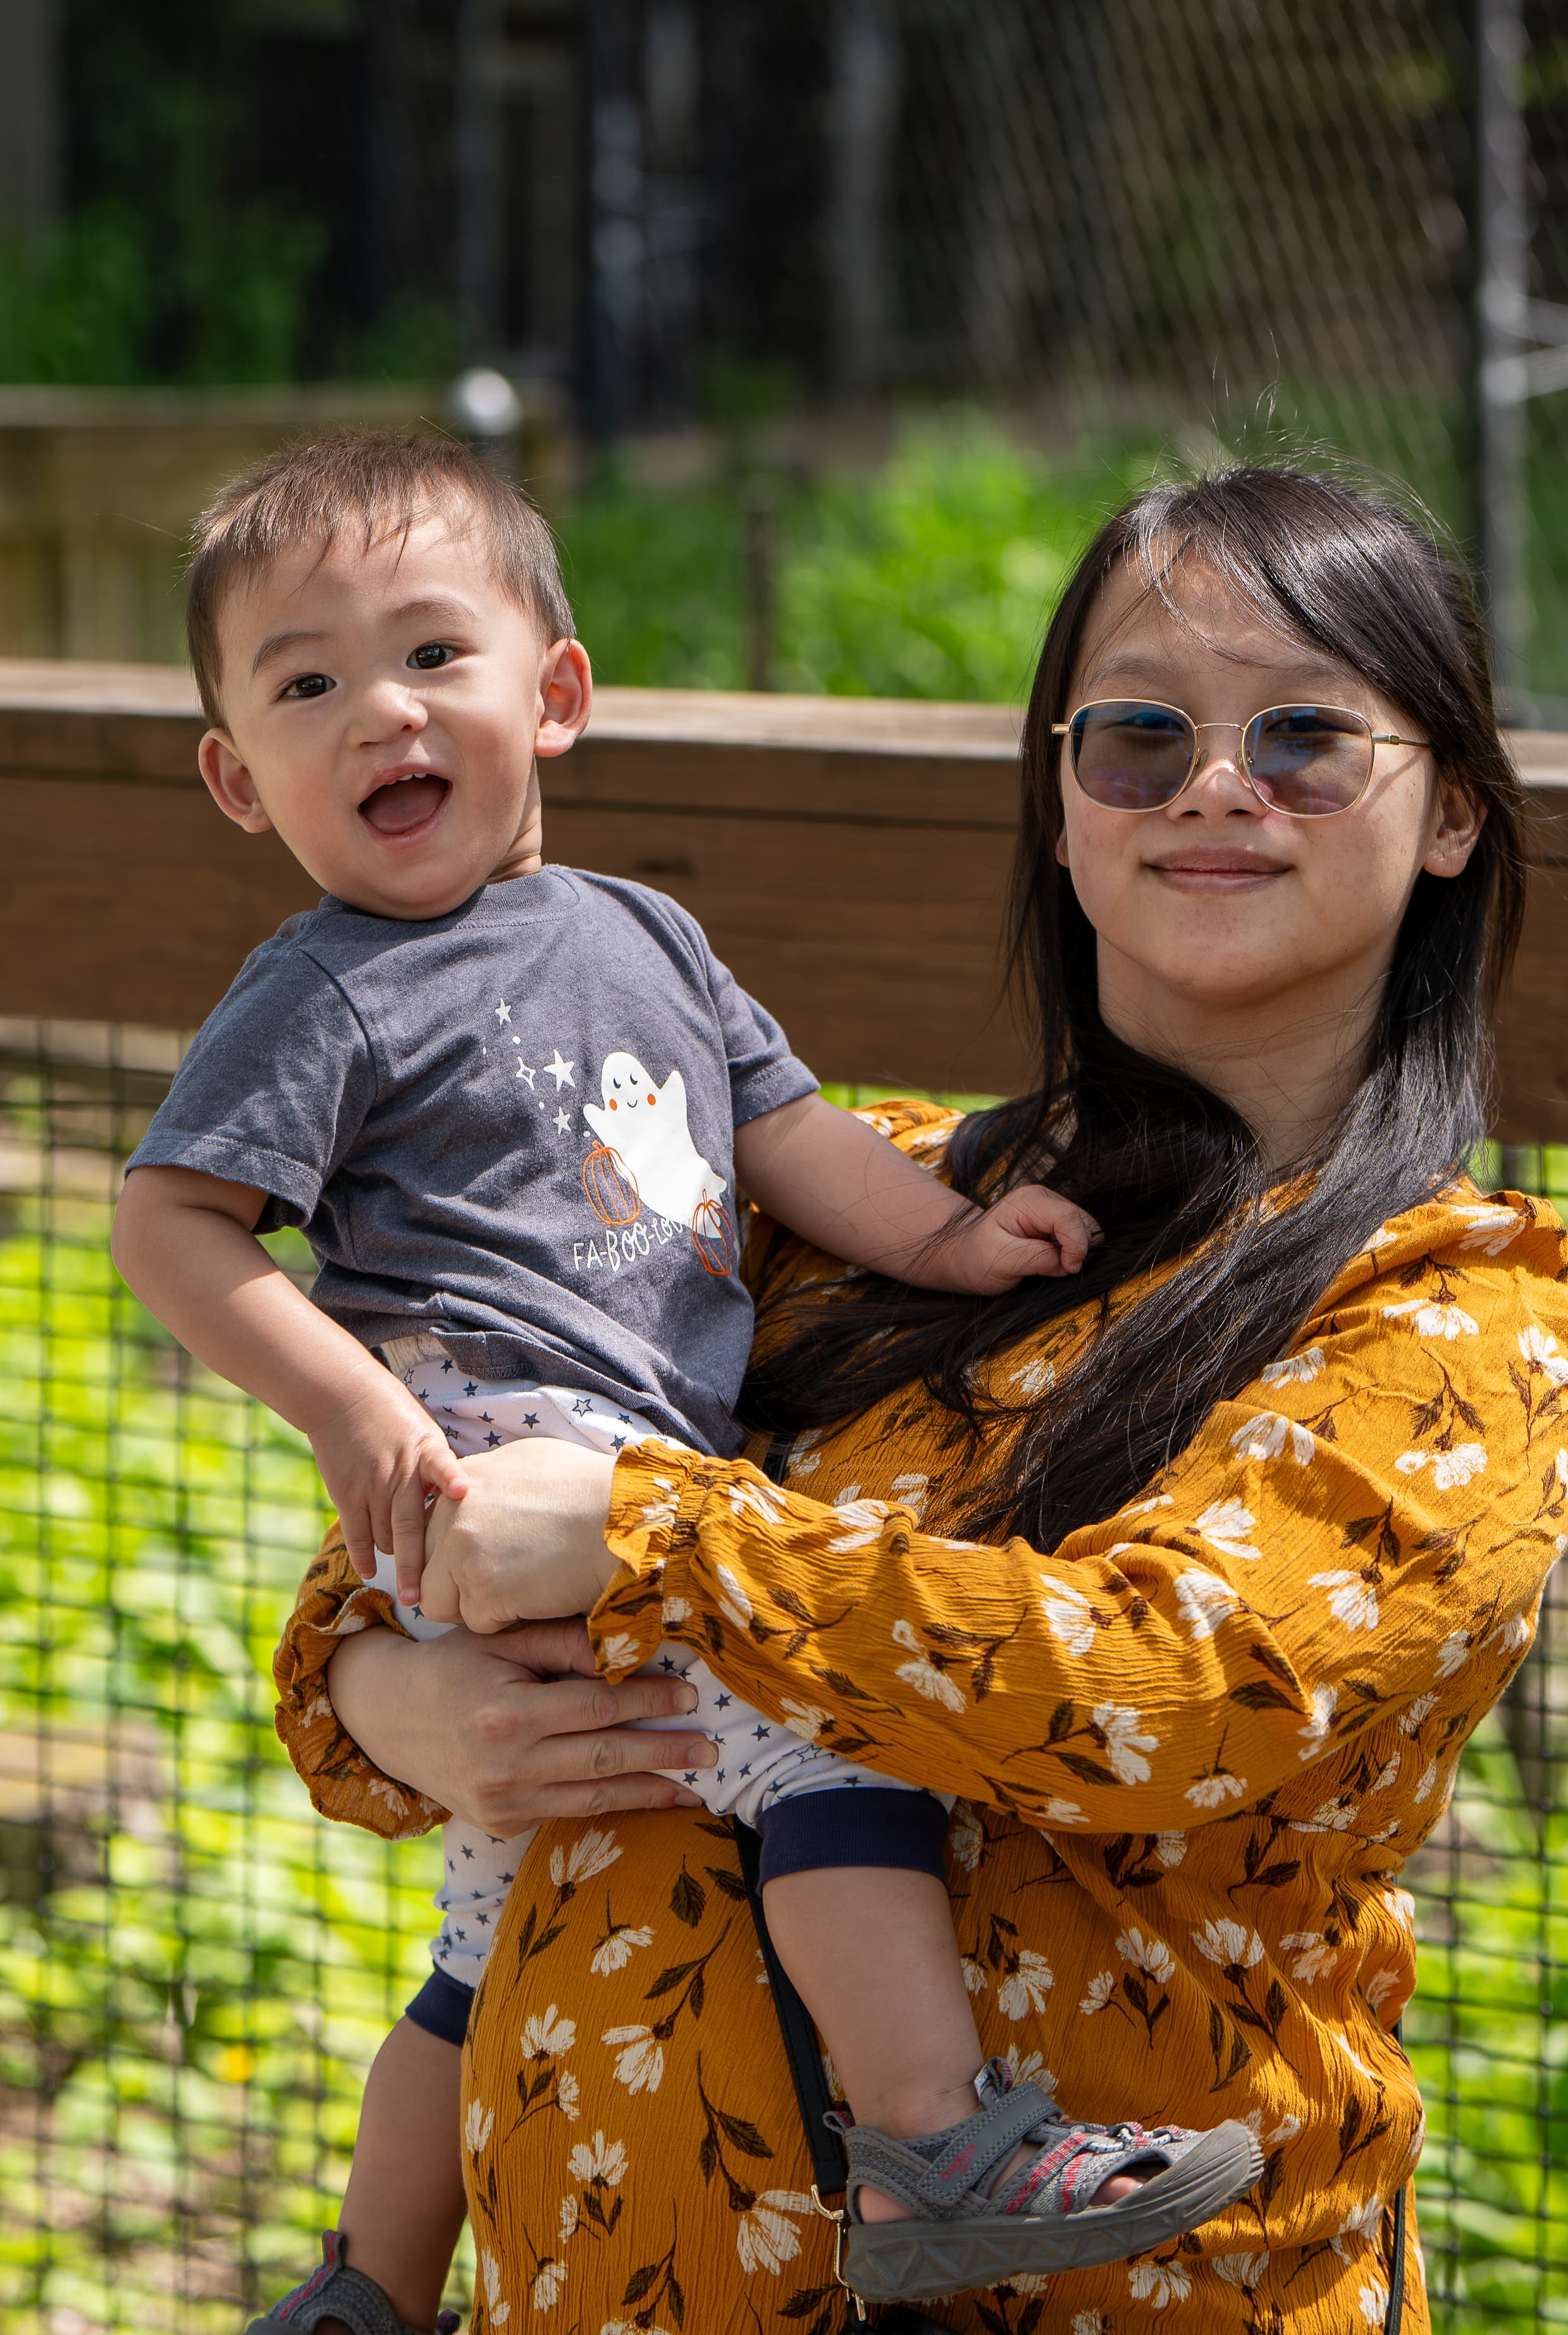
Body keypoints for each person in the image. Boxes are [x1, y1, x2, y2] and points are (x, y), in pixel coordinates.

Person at [272, 461, 1568, 2335]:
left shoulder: (1457, 1304)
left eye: (1306, 738)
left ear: (1452, 808)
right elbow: (437, 1523)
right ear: (1062, 807)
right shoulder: (873, 1203)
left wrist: (660, 1542)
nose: (1217, 785)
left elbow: (1178, 1692)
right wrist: (397, 1699)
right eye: (1140, 737)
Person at [110, 431, 1261, 2335]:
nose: (380, 711)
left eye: (432, 654)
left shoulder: (646, 933)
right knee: (831, 1741)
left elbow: (785, 1131)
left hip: (615, 1472)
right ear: (240, 778)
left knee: (484, 1932)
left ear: (555, 695)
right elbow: (169, 1222)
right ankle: (935, 2143)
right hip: (502, 1437)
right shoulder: (323, 990)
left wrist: (950, 1239)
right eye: (306, 687)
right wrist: (349, 1406)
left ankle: (368, 2288)